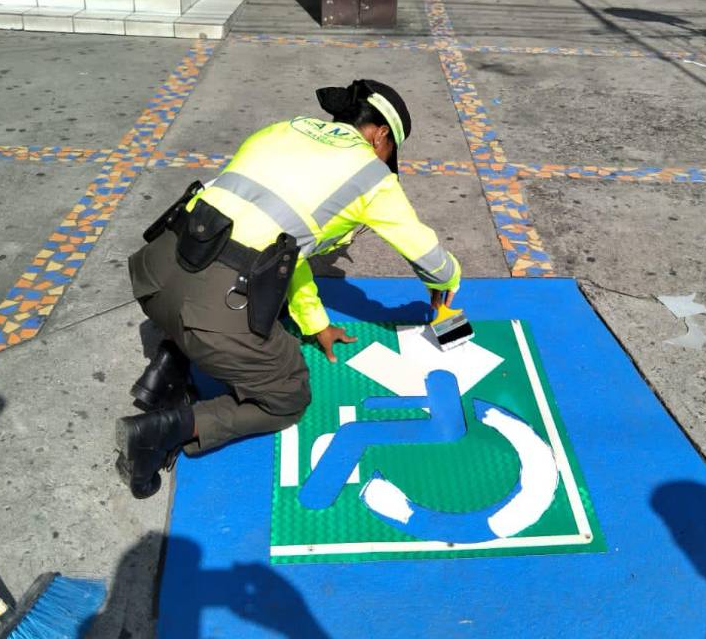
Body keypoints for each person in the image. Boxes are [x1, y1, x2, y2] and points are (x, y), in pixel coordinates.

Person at [116, 79, 462, 499]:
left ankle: (169, 367)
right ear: (381, 135)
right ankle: (160, 432)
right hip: (211, 302)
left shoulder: (285, 129)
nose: (387, 162)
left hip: (156, 272)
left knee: (253, 283)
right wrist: (447, 281)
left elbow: (285, 254)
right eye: (391, 154)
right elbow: (427, 254)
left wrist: (315, 323)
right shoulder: (372, 176)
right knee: (286, 396)